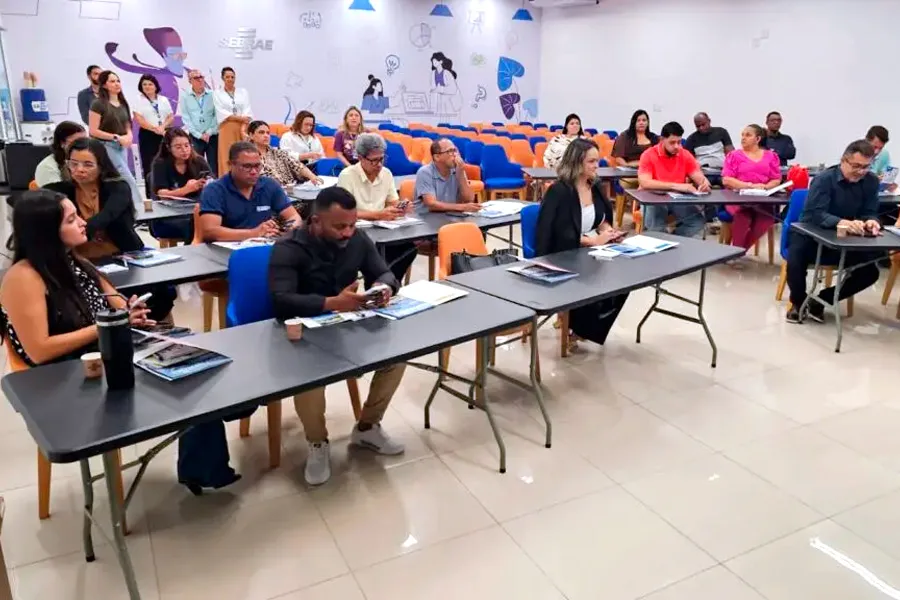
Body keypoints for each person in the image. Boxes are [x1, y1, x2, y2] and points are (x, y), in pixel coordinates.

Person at [0, 190, 244, 495]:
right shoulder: (24, 277)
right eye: (72, 219)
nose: (83, 223)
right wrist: (109, 325)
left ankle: (211, 445)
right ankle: (209, 452)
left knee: (195, 354)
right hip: (62, 372)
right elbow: (40, 350)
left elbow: (112, 299)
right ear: (47, 231)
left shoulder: (73, 261)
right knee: (189, 376)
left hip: (102, 348)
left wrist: (129, 310)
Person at [268, 186, 407, 485]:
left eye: (352, 225)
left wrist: (383, 288)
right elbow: (281, 300)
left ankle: (367, 427)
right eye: (339, 226)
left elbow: (384, 273)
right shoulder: (288, 247)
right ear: (316, 221)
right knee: (309, 380)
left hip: (346, 323)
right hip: (302, 327)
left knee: (396, 358)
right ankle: (317, 443)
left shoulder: (356, 238)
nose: (347, 233)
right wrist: (331, 303)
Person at [536, 138, 628, 346]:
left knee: (623, 281)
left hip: (589, 249)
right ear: (577, 163)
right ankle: (578, 326)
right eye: (591, 162)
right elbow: (557, 234)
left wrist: (608, 232)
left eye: (597, 161)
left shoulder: (594, 186)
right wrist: (593, 241)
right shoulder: (559, 191)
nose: (597, 166)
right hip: (562, 253)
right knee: (592, 278)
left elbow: (601, 219)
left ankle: (583, 329)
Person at [786, 140, 882, 324]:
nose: (861, 171)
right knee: (795, 257)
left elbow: (869, 212)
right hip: (811, 235)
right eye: (856, 166)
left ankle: (821, 300)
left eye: (866, 167)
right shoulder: (824, 179)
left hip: (846, 240)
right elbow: (815, 214)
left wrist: (871, 221)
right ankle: (798, 302)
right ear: (843, 160)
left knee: (870, 271)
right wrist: (841, 221)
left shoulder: (870, 182)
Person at [43, 138, 142, 260]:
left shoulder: (118, 187)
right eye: (73, 164)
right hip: (77, 258)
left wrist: (75, 232)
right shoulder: (61, 190)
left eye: (88, 164)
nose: (79, 170)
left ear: (101, 166)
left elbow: (106, 216)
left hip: (120, 254)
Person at [337, 133, 416, 281]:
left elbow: (392, 202)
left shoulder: (386, 174)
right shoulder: (347, 176)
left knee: (409, 248)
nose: (379, 164)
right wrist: (378, 215)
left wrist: (400, 207)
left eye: (382, 159)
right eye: (374, 161)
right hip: (356, 232)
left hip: (382, 229)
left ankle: (388, 284)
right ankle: (378, 285)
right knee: (375, 258)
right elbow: (344, 213)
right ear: (360, 158)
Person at [199, 141, 300, 242]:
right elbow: (210, 232)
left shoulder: (270, 185)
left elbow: (294, 216)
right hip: (226, 250)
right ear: (230, 165)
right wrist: (254, 233)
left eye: (257, 166)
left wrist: (287, 231)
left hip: (264, 245)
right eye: (247, 166)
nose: (254, 172)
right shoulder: (214, 190)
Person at [637, 121, 711, 238]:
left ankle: (673, 241)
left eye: (679, 142)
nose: (676, 146)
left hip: (677, 198)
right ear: (662, 140)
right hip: (652, 197)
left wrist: (704, 184)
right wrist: (676, 186)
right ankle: (665, 244)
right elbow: (645, 183)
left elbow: (699, 177)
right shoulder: (648, 154)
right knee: (657, 229)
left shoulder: (684, 154)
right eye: (672, 142)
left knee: (697, 223)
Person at [720, 124, 782, 252]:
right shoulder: (734, 155)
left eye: (748, 135)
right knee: (743, 216)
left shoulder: (770, 156)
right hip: (737, 198)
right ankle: (735, 251)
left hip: (761, 199)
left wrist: (765, 187)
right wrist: (750, 186)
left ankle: (739, 252)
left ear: (758, 139)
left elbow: (776, 179)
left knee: (765, 220)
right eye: (742, 135)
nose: (743, 138)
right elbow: (726, 180)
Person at [149, 127, 212, 243]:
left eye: (187, 145)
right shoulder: (160, 164)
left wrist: (208, 186)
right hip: (167, 217)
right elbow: (162, 194)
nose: (184, 150)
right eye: (178, 147)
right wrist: (186, 189)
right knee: (194, 224)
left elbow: (213, 184)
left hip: (194, 211)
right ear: (168, 148)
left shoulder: (199, 161)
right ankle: (192, 255)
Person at [88, 70, 141, 204]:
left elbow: (127, 125)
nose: (117, 84)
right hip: (106, 146)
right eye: (112, 81)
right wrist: (116, 137)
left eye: (118, 81)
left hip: (122, 146)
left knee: (117, 179)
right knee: (127, 178)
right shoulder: (98, 104)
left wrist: (129, 136)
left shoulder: (123, 103)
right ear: (104, 85)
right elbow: (93, 130)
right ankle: (139, 209)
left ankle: (125, 208)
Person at [132, 74, 174, 191]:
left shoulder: (163, 99)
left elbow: (170, 116)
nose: (147, 86)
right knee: (149, 165)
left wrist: (162, 127)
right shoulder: (138, 100)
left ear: (156, 86)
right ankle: (151, 194)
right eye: (144, 84)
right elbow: (139, 119)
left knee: (167, 162)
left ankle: (169, 190)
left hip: (165, 134)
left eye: (150, 84)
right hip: (148, 135)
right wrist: (154, 129)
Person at [414, 138, 479, 213]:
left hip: (450, 215)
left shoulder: (457, 169)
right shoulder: (425, 172)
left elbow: (469, 199)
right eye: (450, 151)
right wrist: (462, 207)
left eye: (455, 151)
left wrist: (461, 174)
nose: (455, 155)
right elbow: (431, 204)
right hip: (427, 218)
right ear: (437, 157)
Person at [248, 120, 320, 187]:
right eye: (261, 132)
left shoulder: (277, 152)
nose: (266, 136)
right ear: (251, 135)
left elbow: (297, 165)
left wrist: (312, 177)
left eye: (268, 133)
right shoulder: (247, 156)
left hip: (290, 189)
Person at [178, 69, 219, 177]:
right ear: (190, 81)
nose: (200, 80)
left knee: (214, 165)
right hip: (195, 136)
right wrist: (198, 134)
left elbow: (216, 115)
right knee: (196, 165)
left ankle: (215, 188)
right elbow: (186, 118)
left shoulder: (212, 94)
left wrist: (209, 132)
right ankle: (198, 190)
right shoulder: (185, 96)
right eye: (196, 78)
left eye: (202, 77)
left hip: (212, 135)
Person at [213, 67, 253, 177]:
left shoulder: (243, 92)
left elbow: (247, 110)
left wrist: (243, 127)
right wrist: (240, 119)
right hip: (227, 128)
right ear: (222, 78)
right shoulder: (217, 93)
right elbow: (221, 112)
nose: (230, 79)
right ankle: (227, 182)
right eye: (227, 77)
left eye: (232, 77)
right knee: (227, 155)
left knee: (243, 154)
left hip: (243, 128)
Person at [34, 121, 86, 187]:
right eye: (76, 142)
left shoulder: (85, 162)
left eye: (85, 141)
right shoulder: (47, 167)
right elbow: (54, 195)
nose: (83, 146)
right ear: (62, 143)